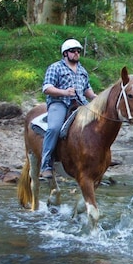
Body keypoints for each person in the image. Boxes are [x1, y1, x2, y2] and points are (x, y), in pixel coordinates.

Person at [39, 38, 98, 178]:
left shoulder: (82, 70)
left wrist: (95, 98)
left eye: (78, 51)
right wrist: (64, 92)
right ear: (65, 53)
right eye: (73, 51)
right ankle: (46, 164)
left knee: (97, 126)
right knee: (54, 128)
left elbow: (87, 89)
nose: (76, 53)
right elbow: (47, 88)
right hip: (60, 103)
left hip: (81, 104)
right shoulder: (55, 67)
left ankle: (98, 158)